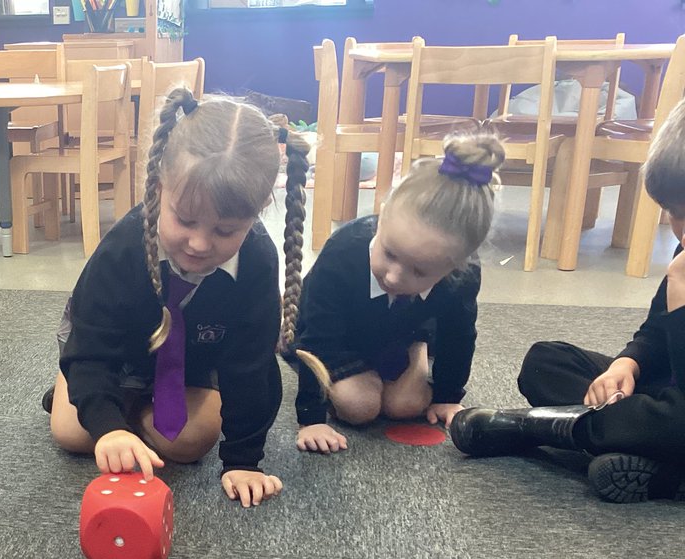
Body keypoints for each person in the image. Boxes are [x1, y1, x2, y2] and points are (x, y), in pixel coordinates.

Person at [45, 88, 308, 508]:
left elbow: (252, 366)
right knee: (73, 433)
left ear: (257, 213)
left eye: (225, 231)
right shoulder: (124, 247)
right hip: (114, 351)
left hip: (198, 362)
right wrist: (108, 426)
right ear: (158, 186)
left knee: (189, 443)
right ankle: (88, 392)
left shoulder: (257, 259)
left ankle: (123, 403)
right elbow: (92, 347)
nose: (200, 244)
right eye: (184, 220)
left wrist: (244, 460)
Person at [451, 98, 685, 503]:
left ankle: (533, 428)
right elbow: (654, 333)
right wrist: (627, 363)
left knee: (676, 424)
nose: (678, 227)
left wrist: (682, 306)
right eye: (672, 213)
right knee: (546, 361)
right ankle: (633, 451)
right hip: (659, 400)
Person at [281, 132, 505, 453]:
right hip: (341, 339)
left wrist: (447, 396)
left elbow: (459, 334)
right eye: (390, 254)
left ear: (456, 267)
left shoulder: (463, 278)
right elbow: (316, 340)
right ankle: (403, 359)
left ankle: (418, 350)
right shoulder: (343, 252)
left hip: (405, 331)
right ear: (382, 216)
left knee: (405, 407)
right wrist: (311, 418)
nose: (394, 276)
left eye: (419, 271)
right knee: (359, 407)